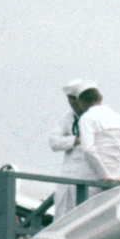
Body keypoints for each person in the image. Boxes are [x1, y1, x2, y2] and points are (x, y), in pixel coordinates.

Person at [74, 84, 120, 200]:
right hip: (117, 180)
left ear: (82, 102)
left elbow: (88, 149)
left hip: (92, 179)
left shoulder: (87, 118)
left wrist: (103, 176)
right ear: (100, 98)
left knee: (87, 214)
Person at [48, 79, 94, 217]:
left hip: (90, 175)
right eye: (70, 100)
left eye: (76, 99)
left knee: (86, 213)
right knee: (63, 213)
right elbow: (54, 142)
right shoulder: (68, 118)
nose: (74, 104)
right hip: (68, 174)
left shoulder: (97, 117)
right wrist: (75, 140)